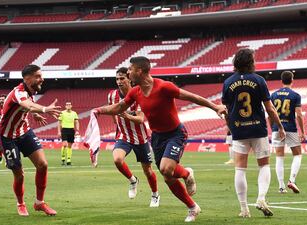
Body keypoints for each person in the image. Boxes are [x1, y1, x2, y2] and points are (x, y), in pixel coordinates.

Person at [93, 56, 226, 222]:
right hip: (157, 137)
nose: (128, 72)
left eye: (130, 69)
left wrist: (215, 107)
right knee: (167, 175)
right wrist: (99, 110)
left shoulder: (163, 87)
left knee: (165, 169)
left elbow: (192, 97)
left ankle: (186, 178)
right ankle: (192, 203)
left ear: (139, 71)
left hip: (175, 133)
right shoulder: (135, 92)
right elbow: (120, 107)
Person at [222, 48, 286, 218]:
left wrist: (231, 126)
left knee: (240, 169)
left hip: (238, 130)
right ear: (250, 62)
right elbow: (270, 108)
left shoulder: (228, 82)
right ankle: (261, 198)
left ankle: (244, 209)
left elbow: (226, 110)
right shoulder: (259, 80)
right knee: (264, 165)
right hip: (258, 129)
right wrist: (279, 126)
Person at [0, 64, 61, 216]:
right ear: (27, 78)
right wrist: (44, 109)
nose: (42, 79)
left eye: (41, 76)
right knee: (19, 174)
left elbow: (25, 107)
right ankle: (21, 203)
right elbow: (26, 104)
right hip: (7, 137)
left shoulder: (30, 91)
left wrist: (35, 114)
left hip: (24, 132)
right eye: (38, 76)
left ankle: (39, 203)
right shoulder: (18, 92)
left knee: (43, 164)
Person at [106, 67, 160, 207]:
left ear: (129, 78)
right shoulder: (112, 95)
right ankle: (133, 180)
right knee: (117, 160)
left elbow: (141, 119)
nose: (119, 81)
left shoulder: (139, 94)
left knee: (147, 170)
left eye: (122, 78)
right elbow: (112, 111)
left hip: (140, 138)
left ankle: (155, 194)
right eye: (117, 79)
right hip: (123, 136)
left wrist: (126, 116)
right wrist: (118, 125)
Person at [270, 71, 305, 194]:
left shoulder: (273, 95)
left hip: (277, 128)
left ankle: (281, 186)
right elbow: (299, 115)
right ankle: (292, 180)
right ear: (292, 80)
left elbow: (270, 114)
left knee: (279, 157)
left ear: (281, 80)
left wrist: (273, 128)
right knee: (297, 154)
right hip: (290, 127)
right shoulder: (295, 95)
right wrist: (302, 131)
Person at [57, 101, 79, 166]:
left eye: (69, 104)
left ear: (71, 106)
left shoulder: (74, 113)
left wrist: (77, 130)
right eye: (67, 105)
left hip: (71, 130)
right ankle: (63, 159)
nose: (68, 106)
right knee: (64, 144)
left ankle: (69, 160)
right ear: (65, 106)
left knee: (70, 145)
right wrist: (59, 131)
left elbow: (77, 122)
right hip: (64, 130)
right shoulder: (62, 113)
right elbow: (59, 123)